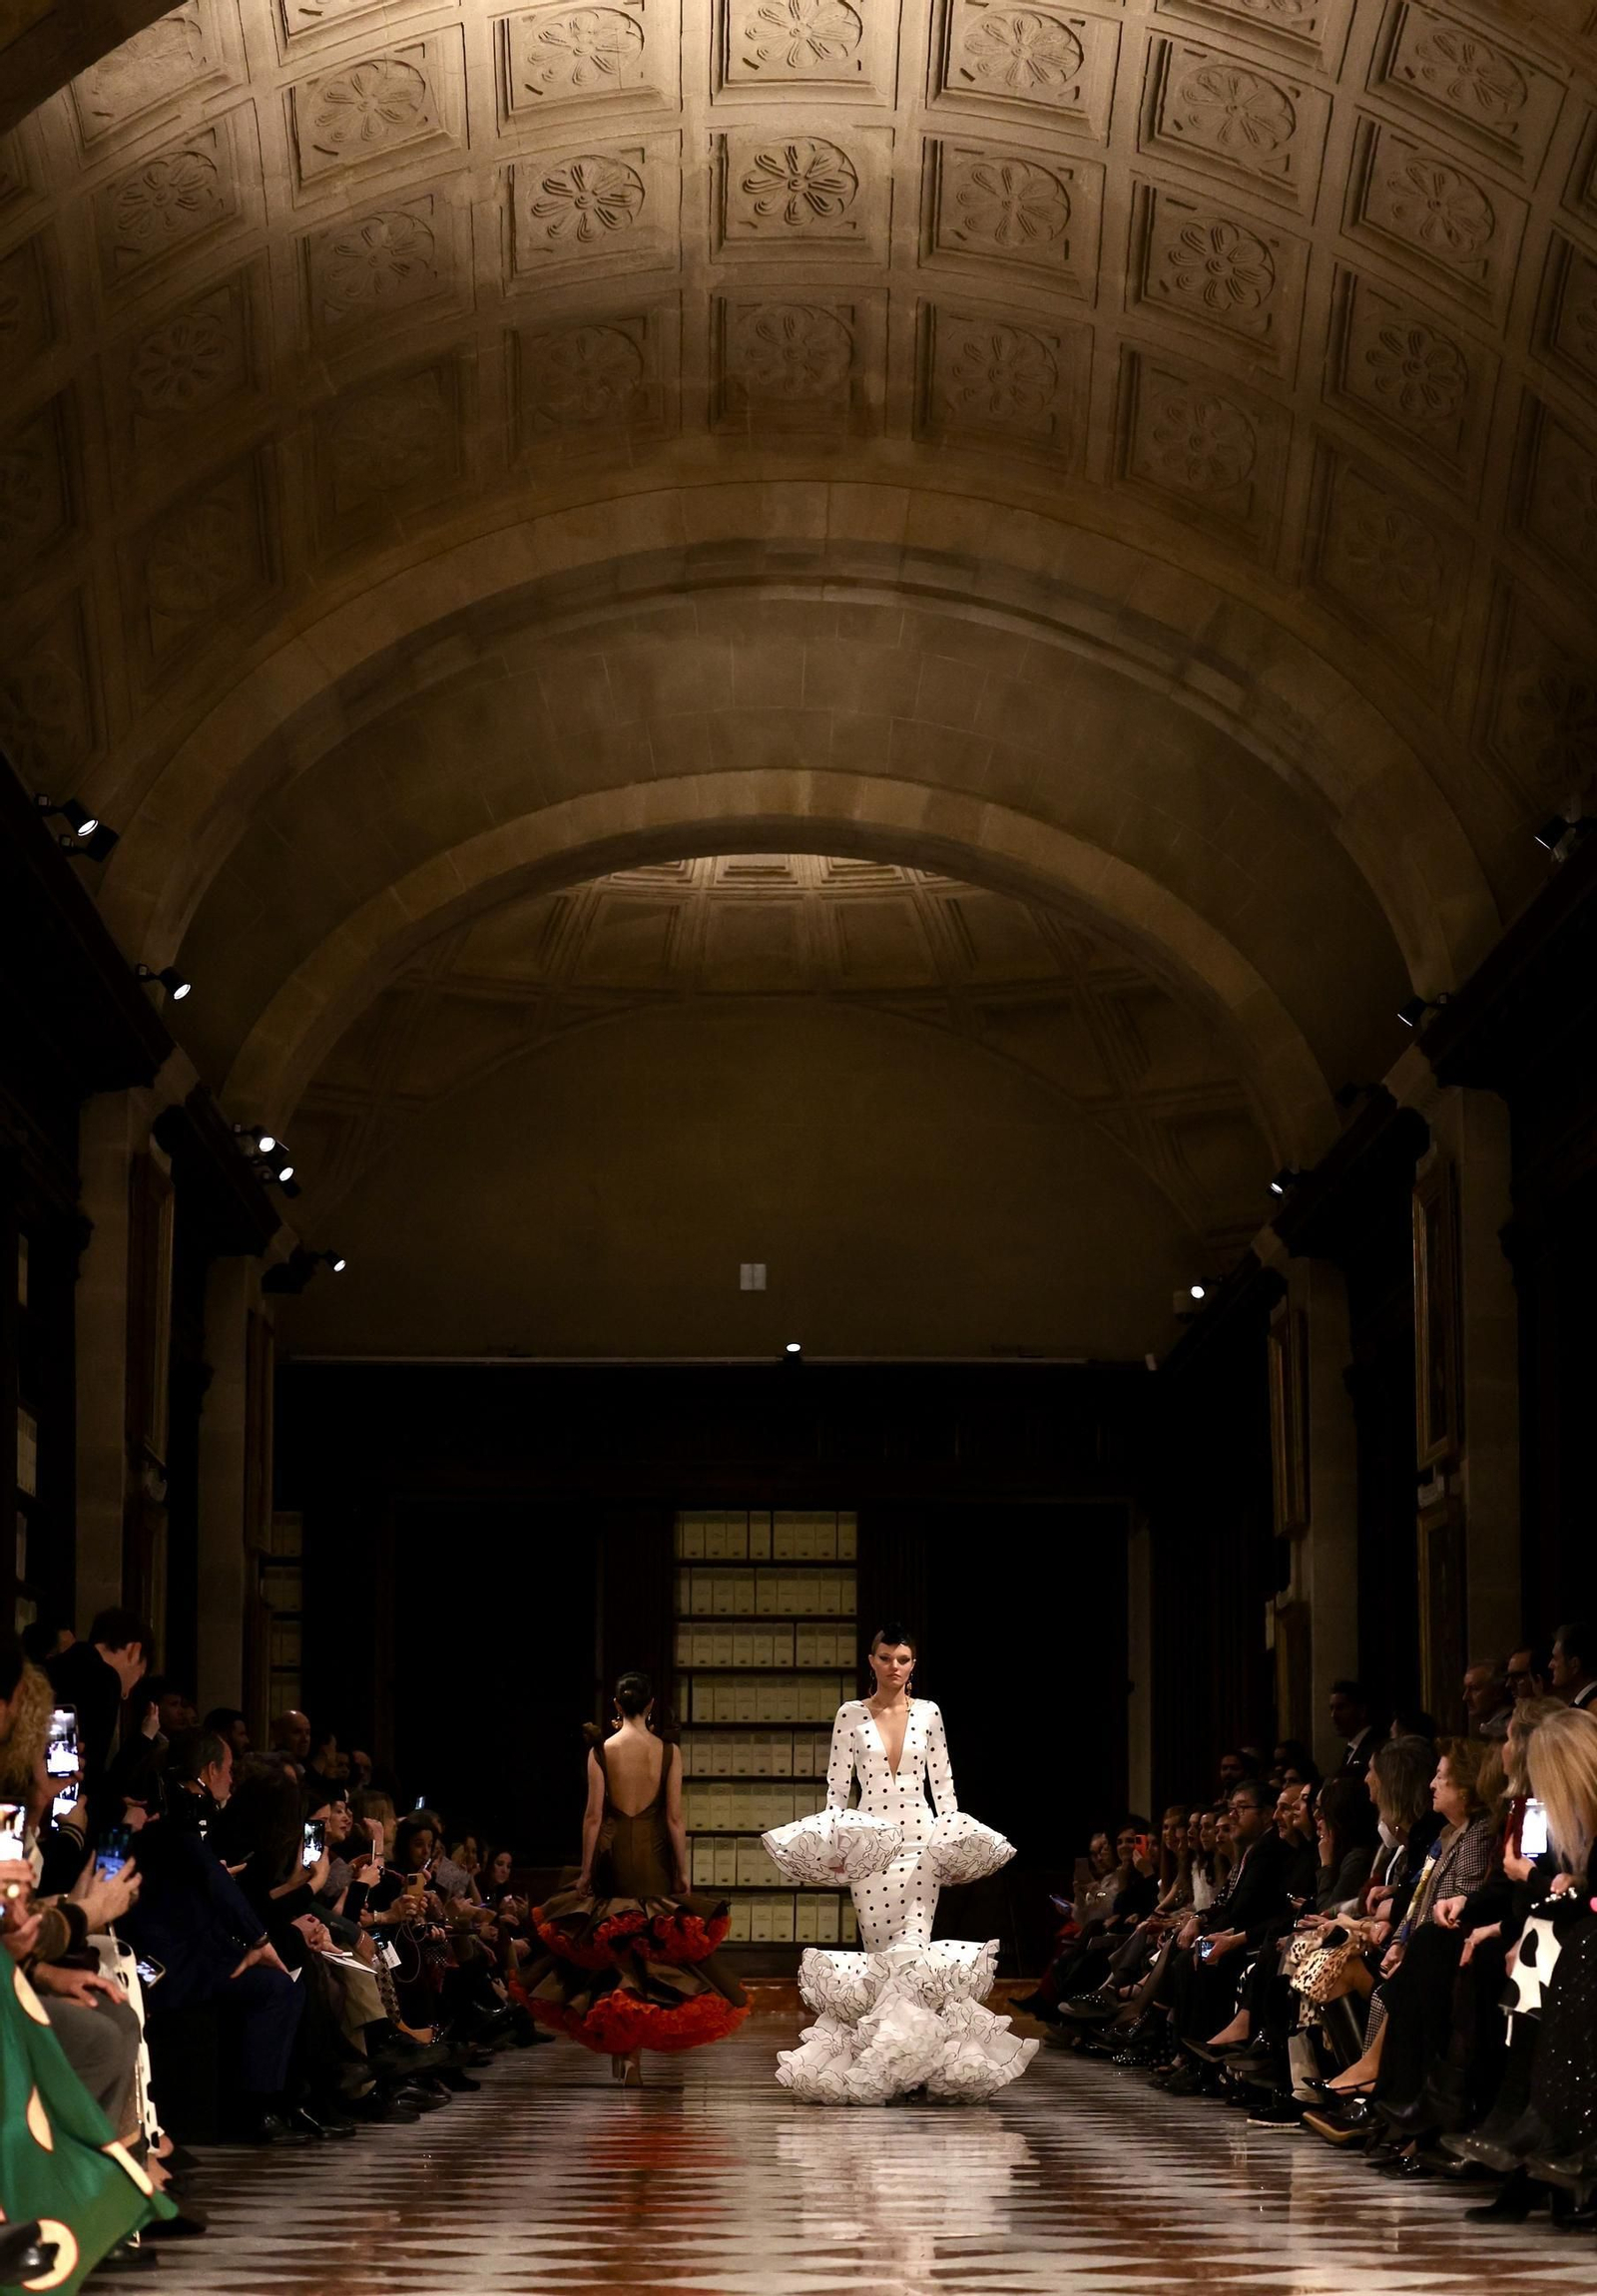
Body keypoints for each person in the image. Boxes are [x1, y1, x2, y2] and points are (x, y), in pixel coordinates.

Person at [764, 1619, 1037, 2103]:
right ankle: (886, 2065)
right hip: (870, 1846)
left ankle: (923, 2066)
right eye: (886, 1658)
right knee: (882, 1956)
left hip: (921, 1843)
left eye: (903, 1659)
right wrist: (836, 1846)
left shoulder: (929, 1713)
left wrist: (953, 1841)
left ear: (914, 1665)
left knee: (913, 1952)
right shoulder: (850, 1715)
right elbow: (835, 1791)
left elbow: (945, 1786)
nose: (894, 1667)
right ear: (872, 1661)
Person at [514, 1671, 748, 2085]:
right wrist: (682, 1871)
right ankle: (631, 2058)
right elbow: (675, 1817)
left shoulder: (602, 1751)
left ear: (617, 1707)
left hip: (613, 1853)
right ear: (652, 1705)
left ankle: (625, 2057)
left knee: (616, 1953)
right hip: (655, 1855)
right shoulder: (669, 1751)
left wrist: (586, 1871)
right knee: (647, 1954)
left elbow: (593, 1817)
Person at [1331, 1681, 1382, 1773]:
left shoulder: (1376, 1749)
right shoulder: (1351, 1749)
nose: (1333, 1715)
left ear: (1362, 1710)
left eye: (1341, 1708)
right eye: (1332, 1708)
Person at [1549, 1622, 1597, 1710]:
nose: (1550, 1665)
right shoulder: (1581, 1704)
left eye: (1555, 1658)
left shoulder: (1593, 1709)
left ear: (1574, 1664)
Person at [1463, 1659, 1512, 1740]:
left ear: (1497, 1692)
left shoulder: (1511, 1730)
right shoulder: (1488, 1728)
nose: (1465, 1697)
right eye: (1466, 1689)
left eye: (1474, 1689)